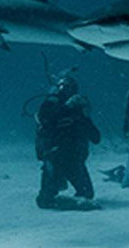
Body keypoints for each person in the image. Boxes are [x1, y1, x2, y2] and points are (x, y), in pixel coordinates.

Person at [34, 74, 102, 210]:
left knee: (87, 194)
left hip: (74, 158)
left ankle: (62, 194)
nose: (68, 92)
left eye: (71, 88)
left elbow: (96, 138)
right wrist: (66, 108)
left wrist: (85, 117)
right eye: (65, 88)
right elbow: (46, 121)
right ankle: (55, 188)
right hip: (54, 156)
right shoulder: (51, 104)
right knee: (45, 201)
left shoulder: (79, 111)